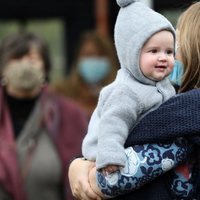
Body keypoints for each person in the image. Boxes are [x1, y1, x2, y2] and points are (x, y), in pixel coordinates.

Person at [68, 1, 200, 200]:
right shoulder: (131, 91)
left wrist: (81, 168)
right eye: (154, 51)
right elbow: (115, 124)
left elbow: (106, 181)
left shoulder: (186, 112)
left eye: (172, 49)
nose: (167, 57)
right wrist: (82, 162)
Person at [82, 0, 175, 174]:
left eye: (169, 52)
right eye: (154, 51)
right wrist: (110, 156)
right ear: (131, 54)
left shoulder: (164, 86)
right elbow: (113, 124)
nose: (163, 57)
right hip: (106, 157)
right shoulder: (127, 91)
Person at [0, 32, 88, 200]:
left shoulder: (69, 116)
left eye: (33, 59)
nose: (25, 66)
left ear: (45, 68)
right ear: (3, 67)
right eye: (17, 59)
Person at [52, 30, 119, 118]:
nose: (94, 60)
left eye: (100, 55)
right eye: (89, 55)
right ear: (79, 59)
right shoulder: (62, 92)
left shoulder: (118, 93)